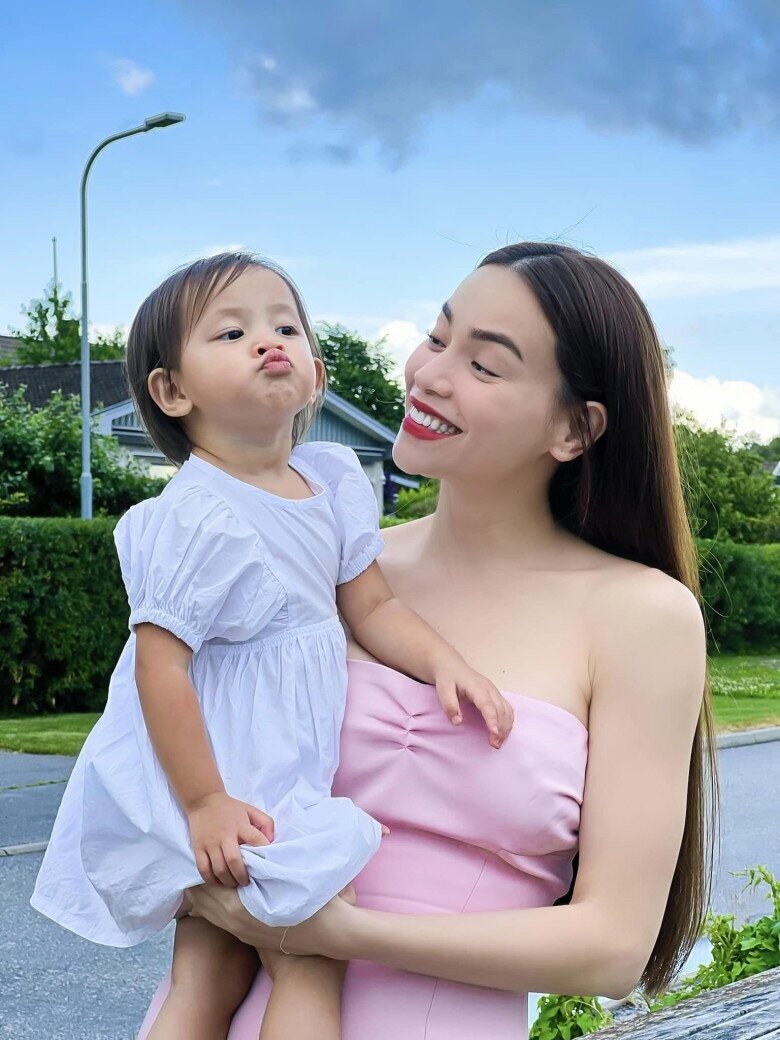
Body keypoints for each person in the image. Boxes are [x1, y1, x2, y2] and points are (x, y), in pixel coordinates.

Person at [138, 241, 717, 1040]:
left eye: (484, 365)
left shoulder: (641, 615)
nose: (430, 375)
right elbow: (163, 737)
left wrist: (342, 934)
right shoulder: (321, 566)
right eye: (438, 338)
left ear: (574, 429)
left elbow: (613, 947)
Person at [30, 252, 514, 1040]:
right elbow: (161, 667)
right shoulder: (194, 516)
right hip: (230, 776)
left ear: (317, 374)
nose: (267, 341)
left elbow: (373, 606)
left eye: (285, 326)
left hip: (279, 763)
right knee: (310, 957)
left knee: (212, 968)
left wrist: (443, 663)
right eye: (231, 333)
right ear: (172, 391)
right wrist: (205, 803)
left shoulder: (329, 482)